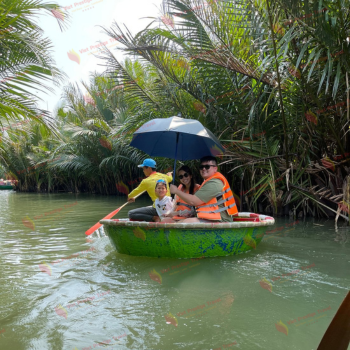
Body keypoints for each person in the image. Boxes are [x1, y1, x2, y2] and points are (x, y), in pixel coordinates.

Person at [169, 156, 238, 222]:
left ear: (215, 169)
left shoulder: (214, 183)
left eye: (207, 167)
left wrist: (176, 191)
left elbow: (194, 201)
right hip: (211, 217)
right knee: (170, 221)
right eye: (201, 167)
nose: (204, 169)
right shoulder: (207, 182)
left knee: (186, 222)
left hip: (220, 219)